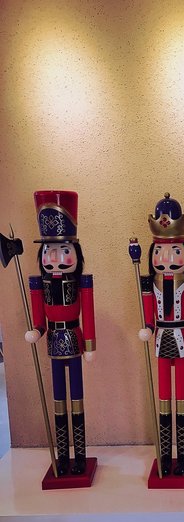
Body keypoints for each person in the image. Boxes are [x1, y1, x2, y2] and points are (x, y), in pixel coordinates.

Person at [26, 191, 95, 476]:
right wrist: (36, 330)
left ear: (76, 252)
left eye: (63, 249)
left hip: (75, 340)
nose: (54, 256)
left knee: (76, 399)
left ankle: (80, 457)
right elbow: (38, 317)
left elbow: (88, 314)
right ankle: (62, 456)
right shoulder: (38, 284)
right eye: (48, 250)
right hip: (54, 342)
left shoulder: (83, 283)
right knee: (58, 401)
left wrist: (90, 344)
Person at [139, 193, 184, 476]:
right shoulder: (148, 284)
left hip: (182, 339)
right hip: (161, 340)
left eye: (175, 251)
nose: (166, 258)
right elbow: (148, 314)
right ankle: (166, 457)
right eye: (160, 251)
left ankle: (182, 458)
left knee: (182, 400)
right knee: (164, 398)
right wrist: (147, 328)